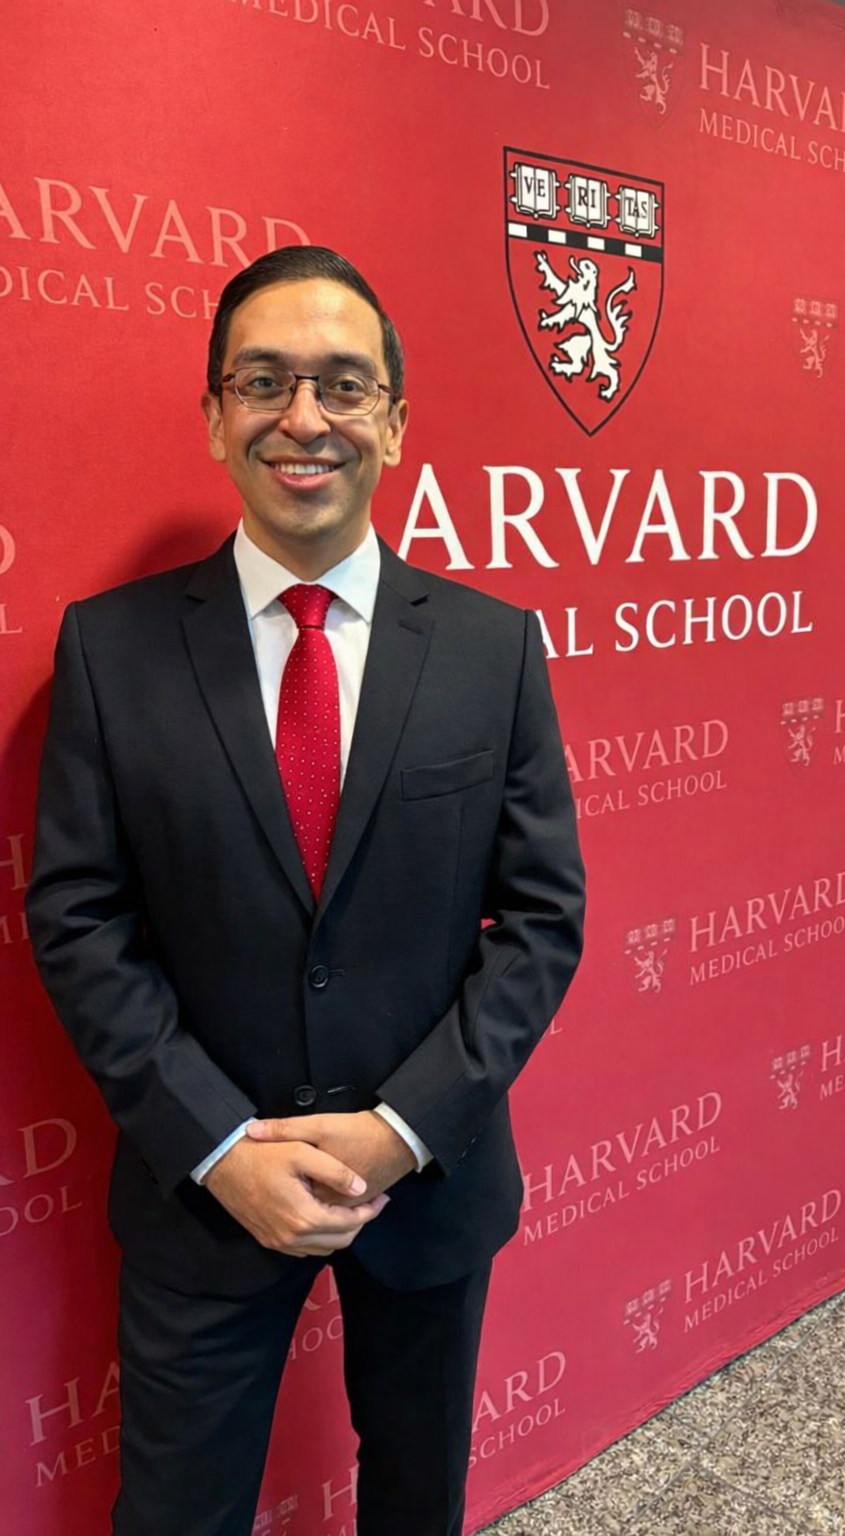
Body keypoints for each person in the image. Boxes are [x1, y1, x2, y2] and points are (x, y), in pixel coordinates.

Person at [26, 245, 585, 1536]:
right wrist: (219, 1145)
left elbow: (542, 917)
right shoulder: (111, 651)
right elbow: (78, 918)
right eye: (264, 381)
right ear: (216, 416)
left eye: (343, 385)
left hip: (427, 1181)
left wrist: (404, 1126)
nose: (304, 417)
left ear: (394, 418)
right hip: (201, 1186)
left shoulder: (494, 649)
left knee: (414, 1497)